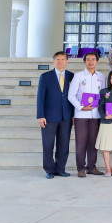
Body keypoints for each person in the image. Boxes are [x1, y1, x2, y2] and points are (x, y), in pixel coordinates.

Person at [37, 51, 74, 179]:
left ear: (67, 61)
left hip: (67, 116)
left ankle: (60, 169)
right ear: (53, 61)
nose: (60, 61)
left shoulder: (71, 76)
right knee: (48, 144)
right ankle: (49, 170)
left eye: (63, 59)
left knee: (63, 144)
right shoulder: (45, 76)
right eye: (57, 59)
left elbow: (74, 97)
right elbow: (40, 98)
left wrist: (74, 114)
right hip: (49, 117)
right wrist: (40, 115)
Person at [68, 52, 105, 178]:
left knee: (93, 143)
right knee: (81, 143)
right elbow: (71, 95)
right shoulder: (78, 76)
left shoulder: (101, 76)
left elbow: (104, 95)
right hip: (81, 115)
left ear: (97, 62)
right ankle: (81, 168)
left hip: (96, 115)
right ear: (84, 62)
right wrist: (81, 107)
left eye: (93, 59)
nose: (91, 62)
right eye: (88, 59)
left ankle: (92, 167)